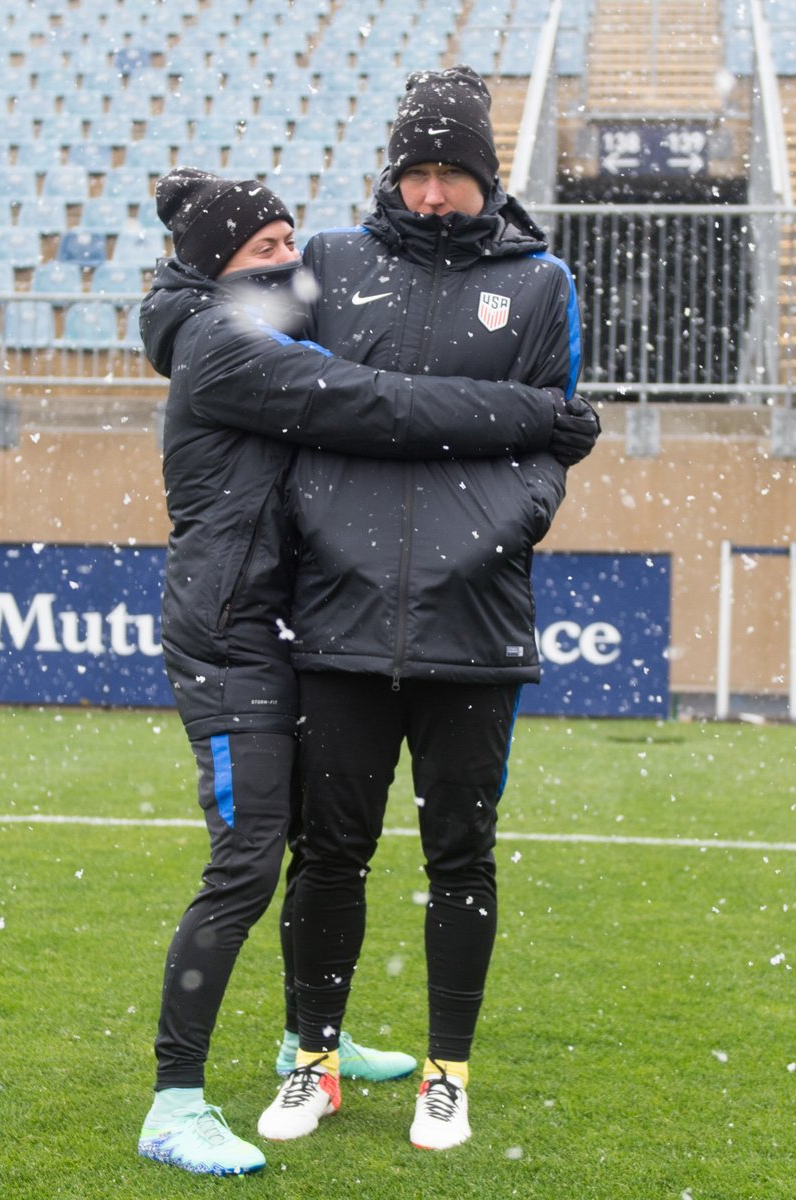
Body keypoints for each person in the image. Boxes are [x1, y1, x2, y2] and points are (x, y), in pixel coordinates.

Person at [135, 167, 590, 1176]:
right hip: (232, 638)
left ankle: (313, 1045)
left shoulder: (259, 319)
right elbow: (375, 403)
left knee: (314, 843)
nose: (291, 260)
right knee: (251, 860)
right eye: (264, 249)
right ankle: (174, 1099)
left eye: (293, 238)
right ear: (220, 271)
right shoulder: (225, 346)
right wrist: (534, 417)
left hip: (287, 627)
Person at [257, 66, 599, 1151]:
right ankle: (313, 1058)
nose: (434, 195)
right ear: (393, 175)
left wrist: (495, 528)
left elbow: (556, 443)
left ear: (486, 179)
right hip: (338, 622)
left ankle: (446, 1072)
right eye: (418, 173)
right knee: (328, 855)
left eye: (453, 174)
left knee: (461, 858)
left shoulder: (542, 283)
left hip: (478, 623)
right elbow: (256, 384)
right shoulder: (329, 264)